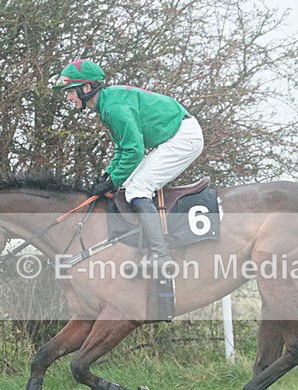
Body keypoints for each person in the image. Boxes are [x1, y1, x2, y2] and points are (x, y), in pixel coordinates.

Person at [52, 59, 204, 268]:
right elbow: (123, 149)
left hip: (183, 138)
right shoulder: (107, 104)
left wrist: (112, 180)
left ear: (86, 87)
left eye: (69, 90)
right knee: (128, 187)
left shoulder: (113, 108)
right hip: (174, 135)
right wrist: (108, 175)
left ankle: (161, 256)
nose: (68, 97)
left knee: (138, 190)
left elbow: (134, 151)